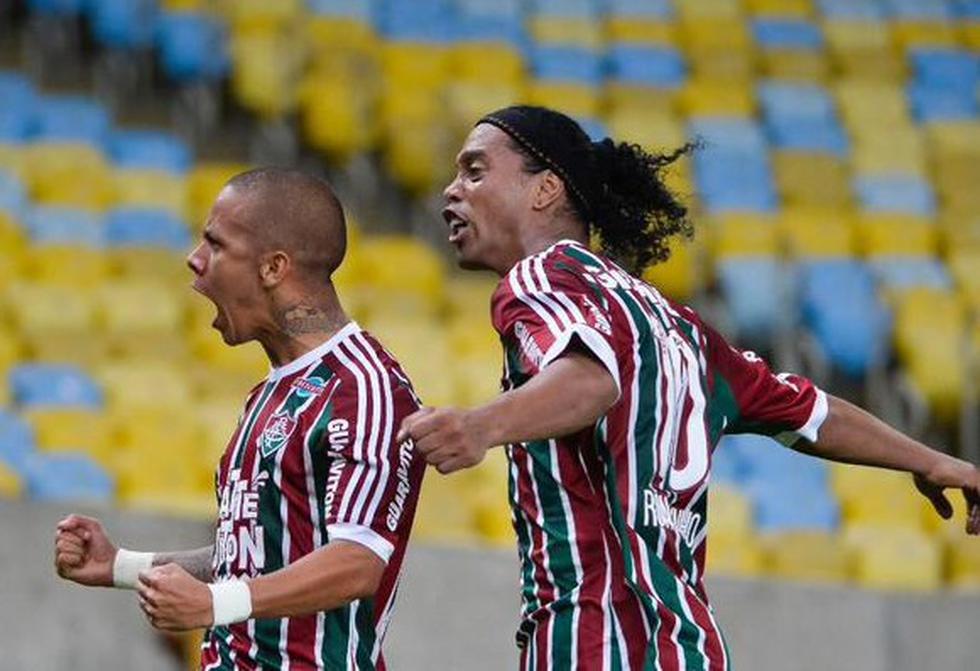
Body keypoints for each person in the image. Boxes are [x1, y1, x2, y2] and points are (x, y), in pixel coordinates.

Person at [397, 105, 980, 670]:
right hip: (689, 647)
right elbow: (812, 414)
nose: (453, 190)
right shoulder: (682, 328)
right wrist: (928, 459)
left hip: (593, 639)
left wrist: (480, 426)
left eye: (475, 171)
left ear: (546, 189)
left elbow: (592, 381)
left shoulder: (541, 275)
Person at [54, 167, 425, 670]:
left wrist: (213, 605)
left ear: (273, 267)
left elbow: (358, 563)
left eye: (215, 243)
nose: (195, 259)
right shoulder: (271, 394)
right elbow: (249, 556)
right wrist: (121, 565)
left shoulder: (364, 389)